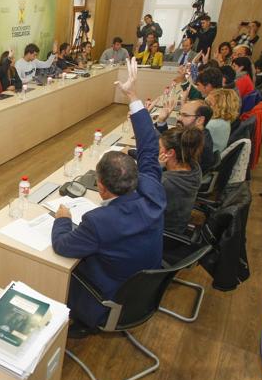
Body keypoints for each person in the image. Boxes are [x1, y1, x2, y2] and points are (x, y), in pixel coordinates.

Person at [50, 58, 165, 336]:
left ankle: (79, 323)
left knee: (58, 270)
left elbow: (63, 246)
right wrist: (132, 96)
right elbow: (149, 147)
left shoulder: (99, 221)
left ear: (100, 187)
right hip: (144, 286)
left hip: (109, 296)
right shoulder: (152, 189)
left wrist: (63, 219)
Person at [159, 127, 204, 234]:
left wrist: (156, 169)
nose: (157, 149)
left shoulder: (166, 182)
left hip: (163, 233)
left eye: (159, 147)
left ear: (170, 153)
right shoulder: (194, 167)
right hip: (179, 223)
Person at [155, 99, 216, 174]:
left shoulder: (194, 144)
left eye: (185, 115)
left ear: (200, 120)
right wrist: (161, 121)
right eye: (179, 114)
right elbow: (168, 141)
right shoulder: (197, 135)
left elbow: (167, 146)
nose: (179, 118)